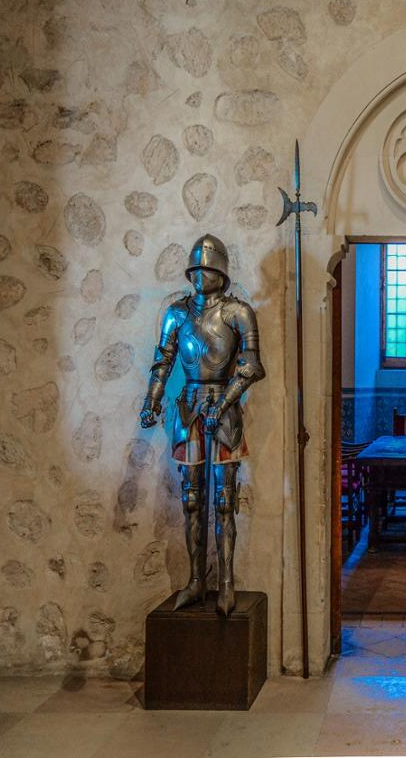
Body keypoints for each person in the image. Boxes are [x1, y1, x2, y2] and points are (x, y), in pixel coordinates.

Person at [139, 234, 264, 616]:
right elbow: (163, 360)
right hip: (189, 408)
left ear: (220, 272)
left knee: (225, 501)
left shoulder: (238, 312)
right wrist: (151, 400)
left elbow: (251, 367)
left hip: (225, 410)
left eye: (206, 268)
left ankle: (225, 582)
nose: (199, 275)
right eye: (195, 268)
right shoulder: (177, 314)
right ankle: (196, 580)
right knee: (191, 499)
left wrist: (223, 403)